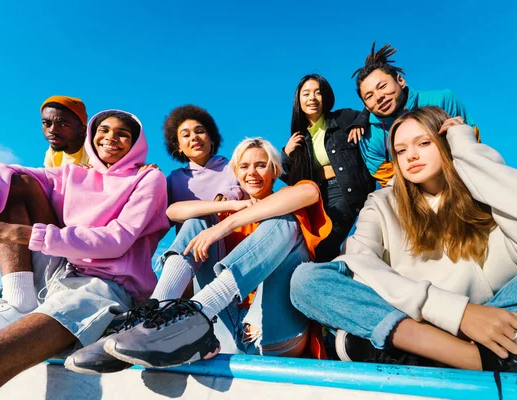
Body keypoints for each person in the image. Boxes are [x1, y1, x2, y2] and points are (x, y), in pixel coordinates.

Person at [290, 107, 517, 395]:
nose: (411, 155)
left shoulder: (483, 192)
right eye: (400, 150)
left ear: (445, 144)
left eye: (424, 143)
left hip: (498, 319)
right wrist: (460, 315)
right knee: (307, 281)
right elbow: (358, 264)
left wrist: (466, 147)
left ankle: (406, 353)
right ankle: (472, 359)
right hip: (421, 323)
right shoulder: (382, 202)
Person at [67, 137, 332, 372]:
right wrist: (231, 207)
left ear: (274, 169)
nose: (252, 172)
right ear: (236, 173)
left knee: (283, 220)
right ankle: (153, 319)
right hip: (221, 329)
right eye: (244, 166)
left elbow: (309, 192)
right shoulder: (227, 207)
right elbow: (173, 212)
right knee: (198, 218)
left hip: (273, 331)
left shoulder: (289, 196)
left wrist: (226, 226)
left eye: (261, 165)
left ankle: (198, 311)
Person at [0, 110, 169, 399]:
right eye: (104, 130)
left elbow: (116, 240)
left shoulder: (148, 178)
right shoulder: (73, 173)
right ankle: (18, 300)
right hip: (59, 269)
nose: (111, 137)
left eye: (122, 133)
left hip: (104, 286)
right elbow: (2, 171)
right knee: (18, 183)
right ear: (92, 135)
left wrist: (8, 232)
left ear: (135, 143)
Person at [352, 43, 478, 187]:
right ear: (366, 105)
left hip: (462, 182)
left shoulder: (442, 100)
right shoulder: (368, 139)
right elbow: (391, 183)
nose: (379, 96)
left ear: (400, 80)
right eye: (369, 96)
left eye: (382, 86)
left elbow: (473, 146)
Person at [281, 74, 375, 261]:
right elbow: (287, 177)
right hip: (316, 198)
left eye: (318, 92)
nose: (312, 98)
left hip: (344, 190)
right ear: (298, 100)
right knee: (308, 246)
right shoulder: (300, 137)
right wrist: (286, 153)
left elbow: (371, 111)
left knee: (325, 244)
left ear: (326, 96)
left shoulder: (342, 118)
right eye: (306, 94)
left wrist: (360, 122)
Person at [41, 95, 89, 167]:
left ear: (82, 130)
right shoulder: (52, 153)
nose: (52, 130)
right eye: (46, 123)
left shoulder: (96, 150)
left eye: (62, 125)